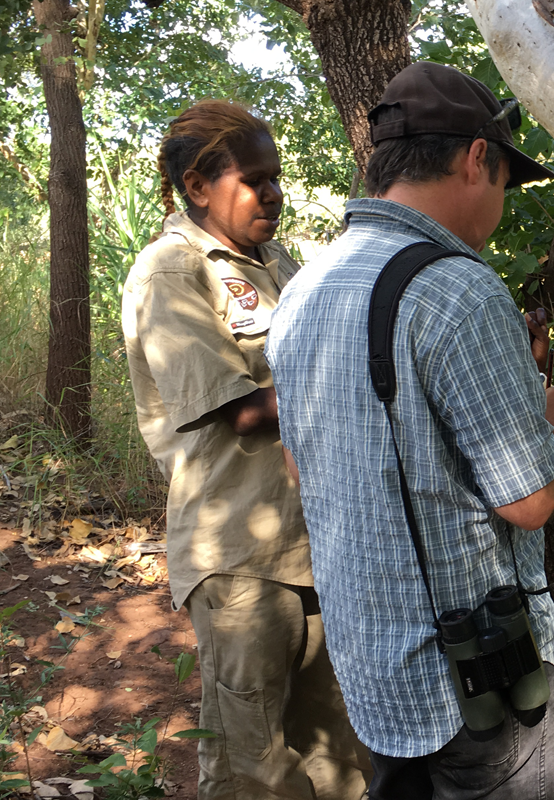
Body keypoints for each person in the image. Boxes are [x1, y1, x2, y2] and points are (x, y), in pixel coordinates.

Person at [264, 62, 554, 800]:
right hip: (479, 689)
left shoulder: (306, 286)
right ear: (477, 158)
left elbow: (298, 469)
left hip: (375, 674)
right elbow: (528, 502)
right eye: (503, 179)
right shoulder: (459, 291)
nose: (499, 201)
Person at [122, 101, 370, 800]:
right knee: (253, 764)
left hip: (314, 544)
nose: (273, 194)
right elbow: (246, 412)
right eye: (253, 179)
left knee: (338, 758)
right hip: (239, 557)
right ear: (198, 187)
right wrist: (375, 383)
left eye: (277, 178)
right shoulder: (171, 271)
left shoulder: (276, 262)